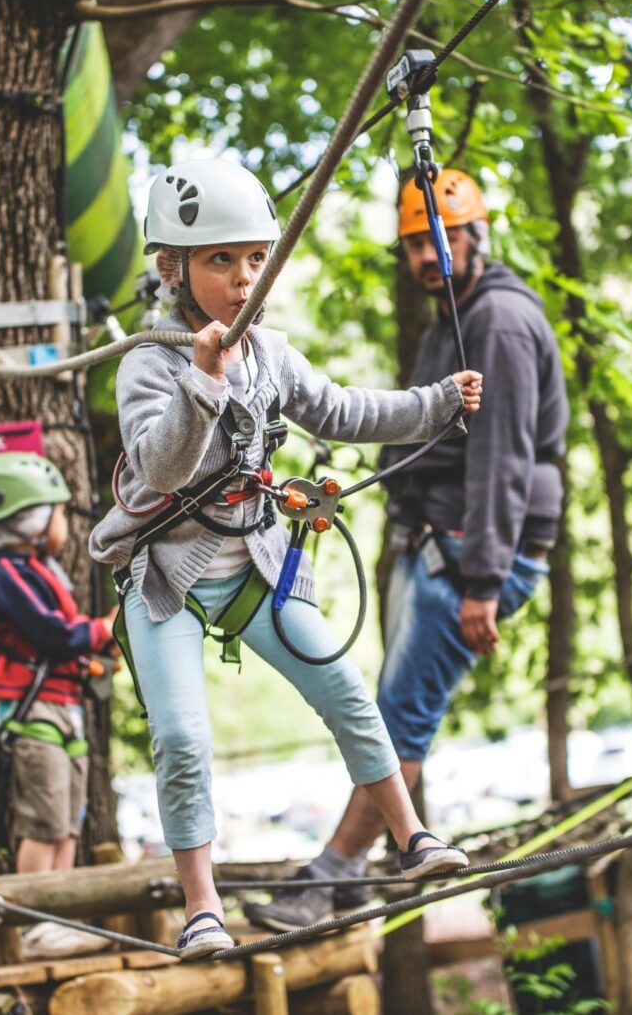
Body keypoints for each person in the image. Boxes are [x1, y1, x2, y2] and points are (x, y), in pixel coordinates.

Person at [89, 158, 484, 960]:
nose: (244, 279)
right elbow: (160, 468)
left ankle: (411, 836)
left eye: (255, 258)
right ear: (172, 267)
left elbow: (343, 410)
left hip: (258, 566)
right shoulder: (148, 362)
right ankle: (202, 908)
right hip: (166, 580)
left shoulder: (268, 353)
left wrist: (437, 403)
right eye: (220, 260)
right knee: (183, 739)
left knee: (346, 689)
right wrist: (204, 381)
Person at [247, 168, 570, 931]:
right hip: (442, 544)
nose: (429, 256)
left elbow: (502, 456)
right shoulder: (454, 320)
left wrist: (483, 580)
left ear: (475, 237)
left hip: (467, 555)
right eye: (417, 244)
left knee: (397, 720)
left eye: (443, 240)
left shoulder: (498, 323)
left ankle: (332, 872)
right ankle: (345, 877)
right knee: (392, 712)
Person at [0, 452, 118, 958]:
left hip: (64, 706)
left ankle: (60, 919)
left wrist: (96, 657)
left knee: (68, 820)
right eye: (58, 513)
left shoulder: (36, 569)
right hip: (32, 713)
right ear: (28, 520)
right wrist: (103, 628)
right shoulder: (4, 575)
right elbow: (53, 635)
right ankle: (35, 925)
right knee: (44, 820)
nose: (64, 525)